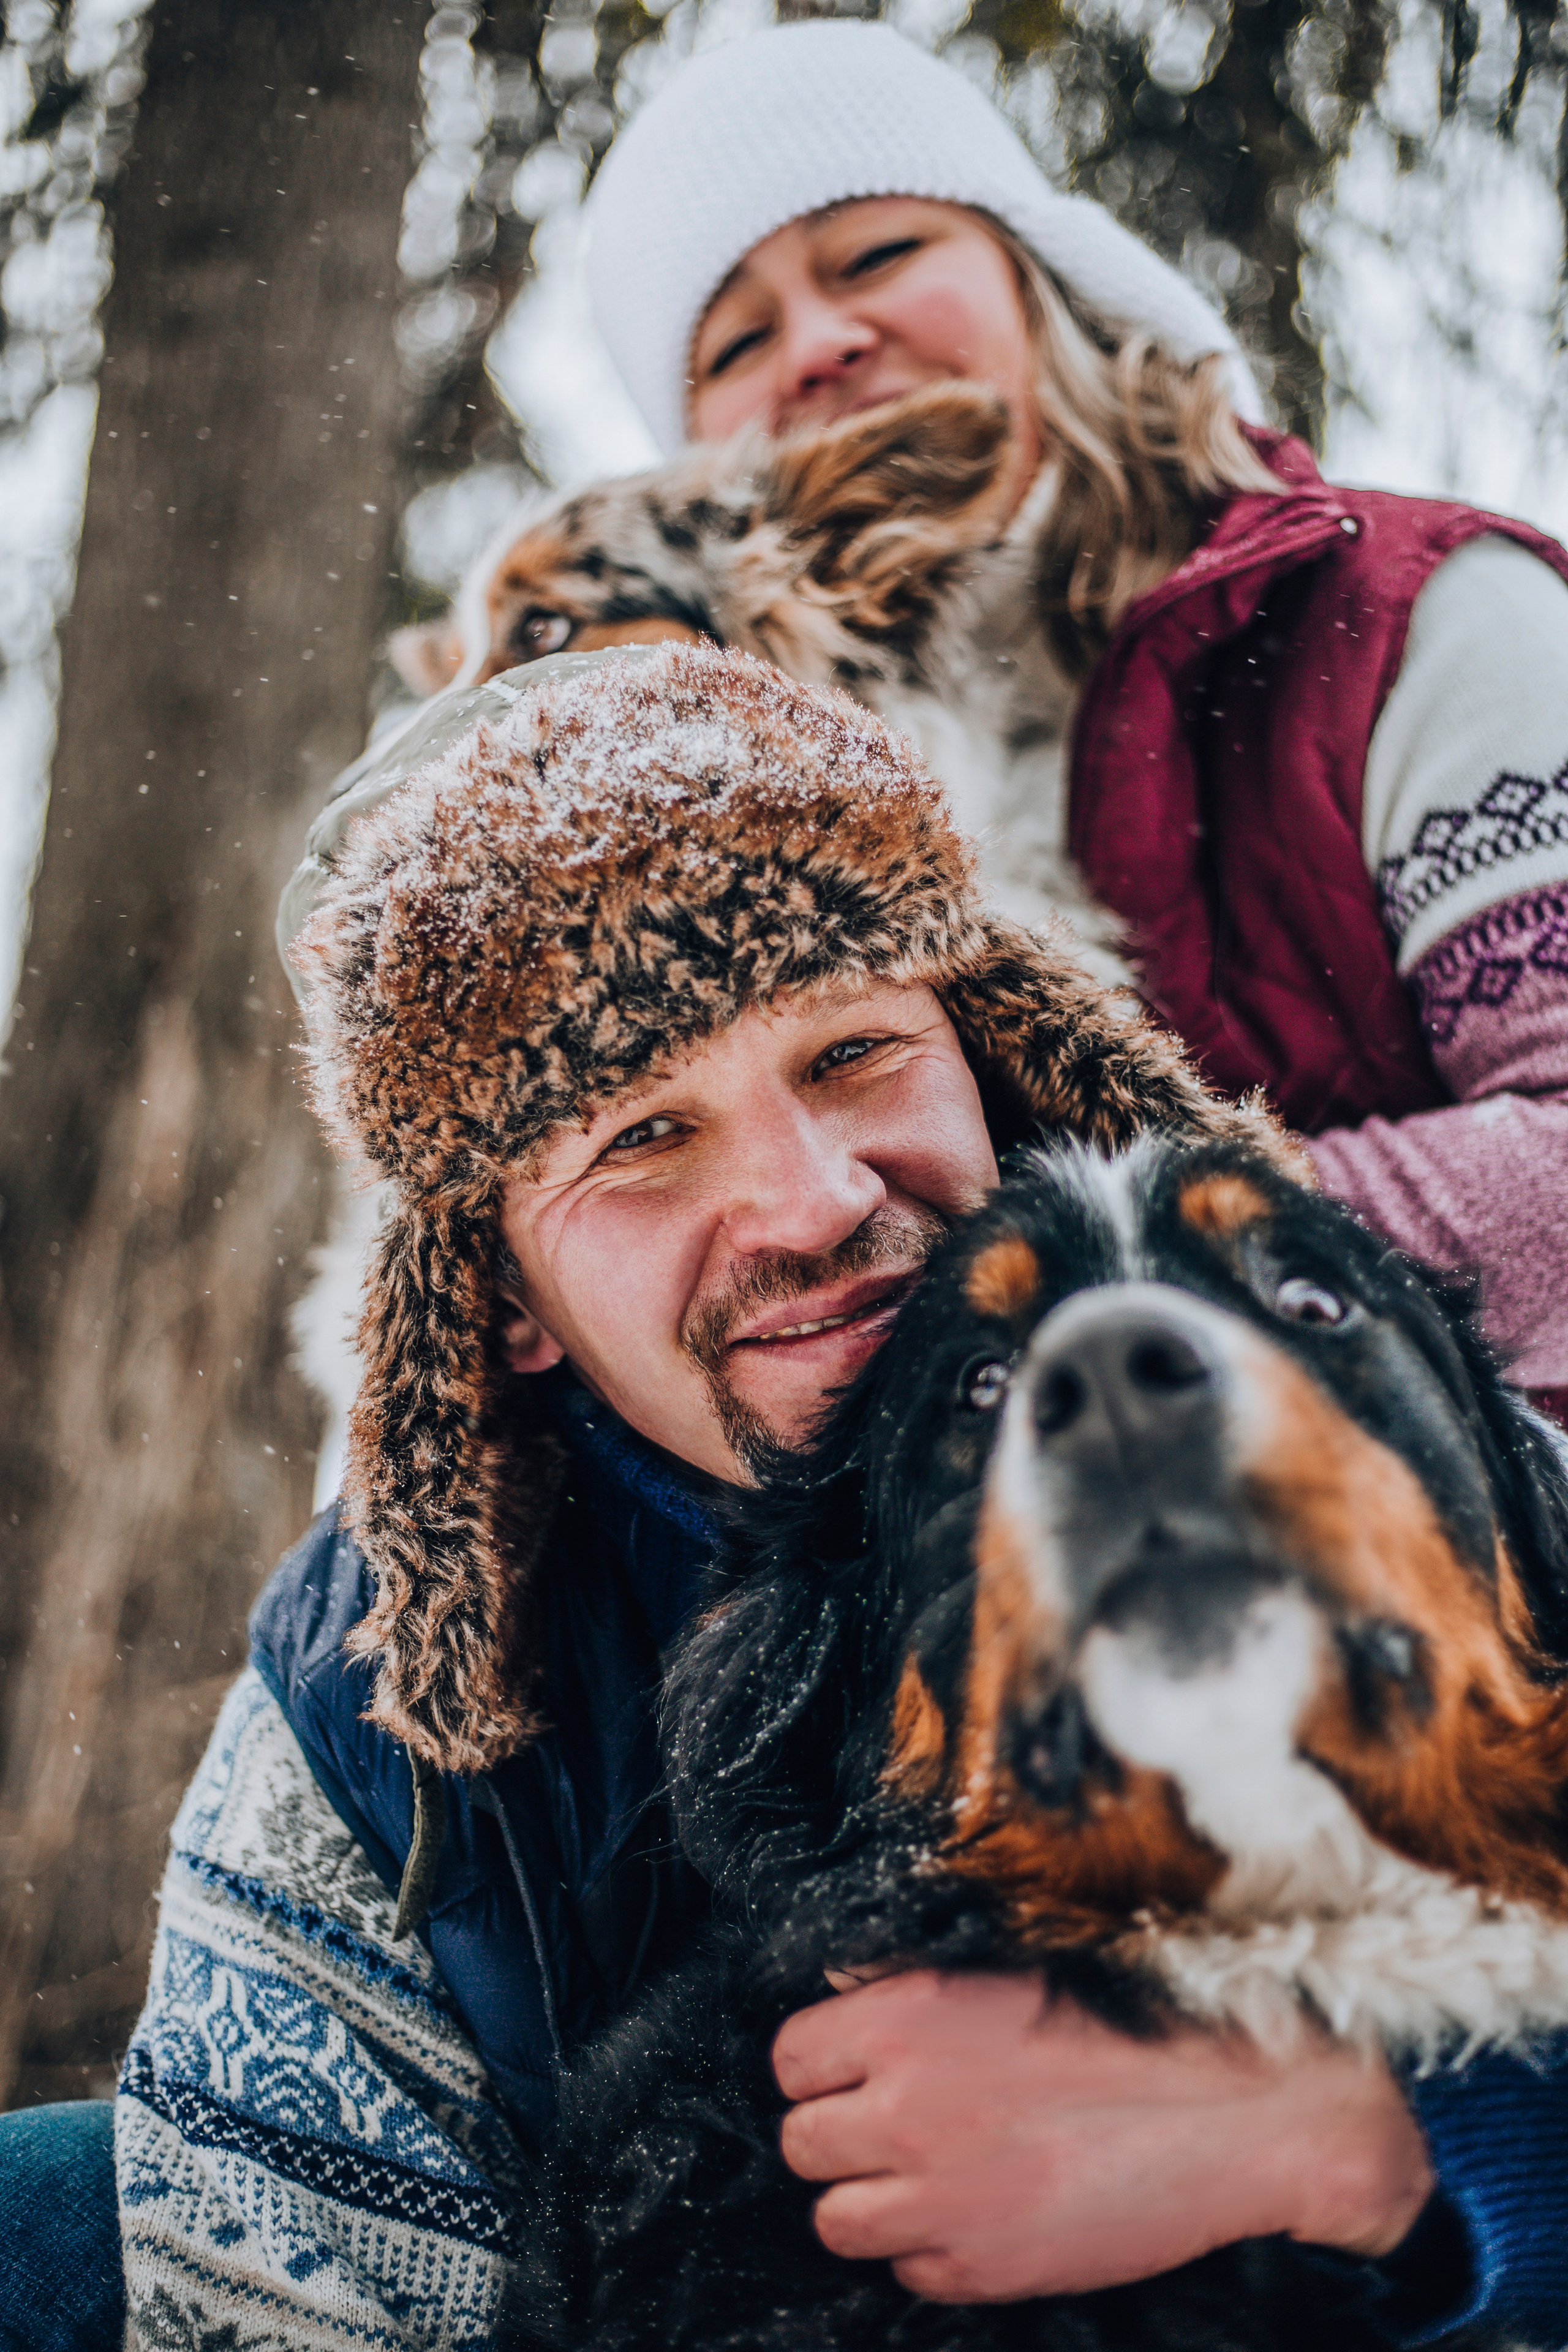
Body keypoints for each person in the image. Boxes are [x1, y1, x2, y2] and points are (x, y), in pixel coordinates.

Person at [47, 641, 1556, 2350]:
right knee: (46, 2216)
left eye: (852, 1054)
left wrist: (1391, 2147)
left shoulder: (1391, 1425)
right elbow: (261, 2293)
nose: (812, 1201)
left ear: (988, 1052)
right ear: (503, 1305)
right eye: (639, 1138)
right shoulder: (366, 1704)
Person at [578, 17, 1568, 1418]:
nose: (819, 342)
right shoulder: (707, 828)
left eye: (875, 254)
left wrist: (1060, 1267)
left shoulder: (1407, 619)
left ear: (1040, 275)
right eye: (736, 340)